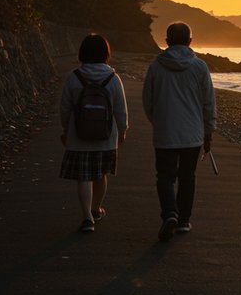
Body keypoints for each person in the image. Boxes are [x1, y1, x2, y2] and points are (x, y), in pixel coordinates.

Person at [142, 21, 216, 241]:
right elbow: (208, 102)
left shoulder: (156, 66)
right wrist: (208, 130)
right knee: (187, 177)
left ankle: (170, 214)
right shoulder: (200, 66)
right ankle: (183, 221)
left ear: (166, 42)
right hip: (192, 133)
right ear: (190, 41)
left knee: (164, 176)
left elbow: (148, 101)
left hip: (165, 132)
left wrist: (158, 122)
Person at [59, 34, 128, 233]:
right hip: (106, 136)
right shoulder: (113, 78)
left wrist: (66, 129)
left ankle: (87, 216)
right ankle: (96, 208)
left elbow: (64, 108)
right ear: (106, 54)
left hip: (78, 135)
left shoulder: (73, 77)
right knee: (100, 174)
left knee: (84, 176)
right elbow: (120, 110)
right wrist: (122, 131)